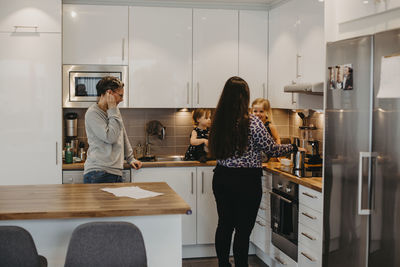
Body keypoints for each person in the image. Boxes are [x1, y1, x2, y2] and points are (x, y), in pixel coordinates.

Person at [209, 76, 300, 267]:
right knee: (243, 229)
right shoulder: (252, 122)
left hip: (222, 177)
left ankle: (223, 264)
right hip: (246, 182)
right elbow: (272, 149)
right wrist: (292, 147)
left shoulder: (218, 120)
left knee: (224, 225)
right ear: (244, 98)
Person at [83, 76, 142, 183]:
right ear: (109, 93)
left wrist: (130, 158)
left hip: (114, 172)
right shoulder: (93, 113)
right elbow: (111, 137)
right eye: (120, 95)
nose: (122, 99)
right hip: (98, 172)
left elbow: (121, 133)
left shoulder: (113, 110)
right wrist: (113, 109)